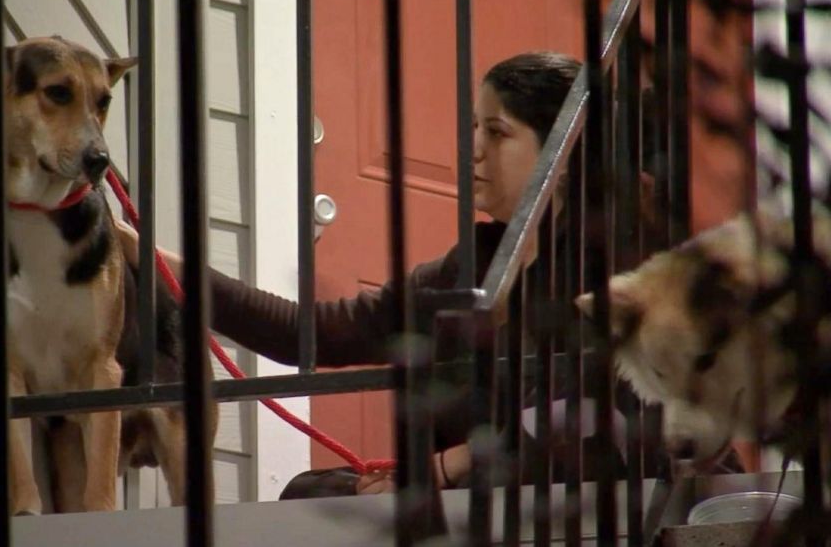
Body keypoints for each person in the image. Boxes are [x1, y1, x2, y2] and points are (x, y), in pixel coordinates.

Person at [118, 52, 591, 496]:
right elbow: (313, 332)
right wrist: (152, 261)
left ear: (563, 149)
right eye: (473, 128)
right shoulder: (469, 265)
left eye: (497, 132)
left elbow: (569, 417)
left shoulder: (605, 266)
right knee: (305, 492)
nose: (474, 149)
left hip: (546, 493)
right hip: (454, 495)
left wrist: (439, 471)